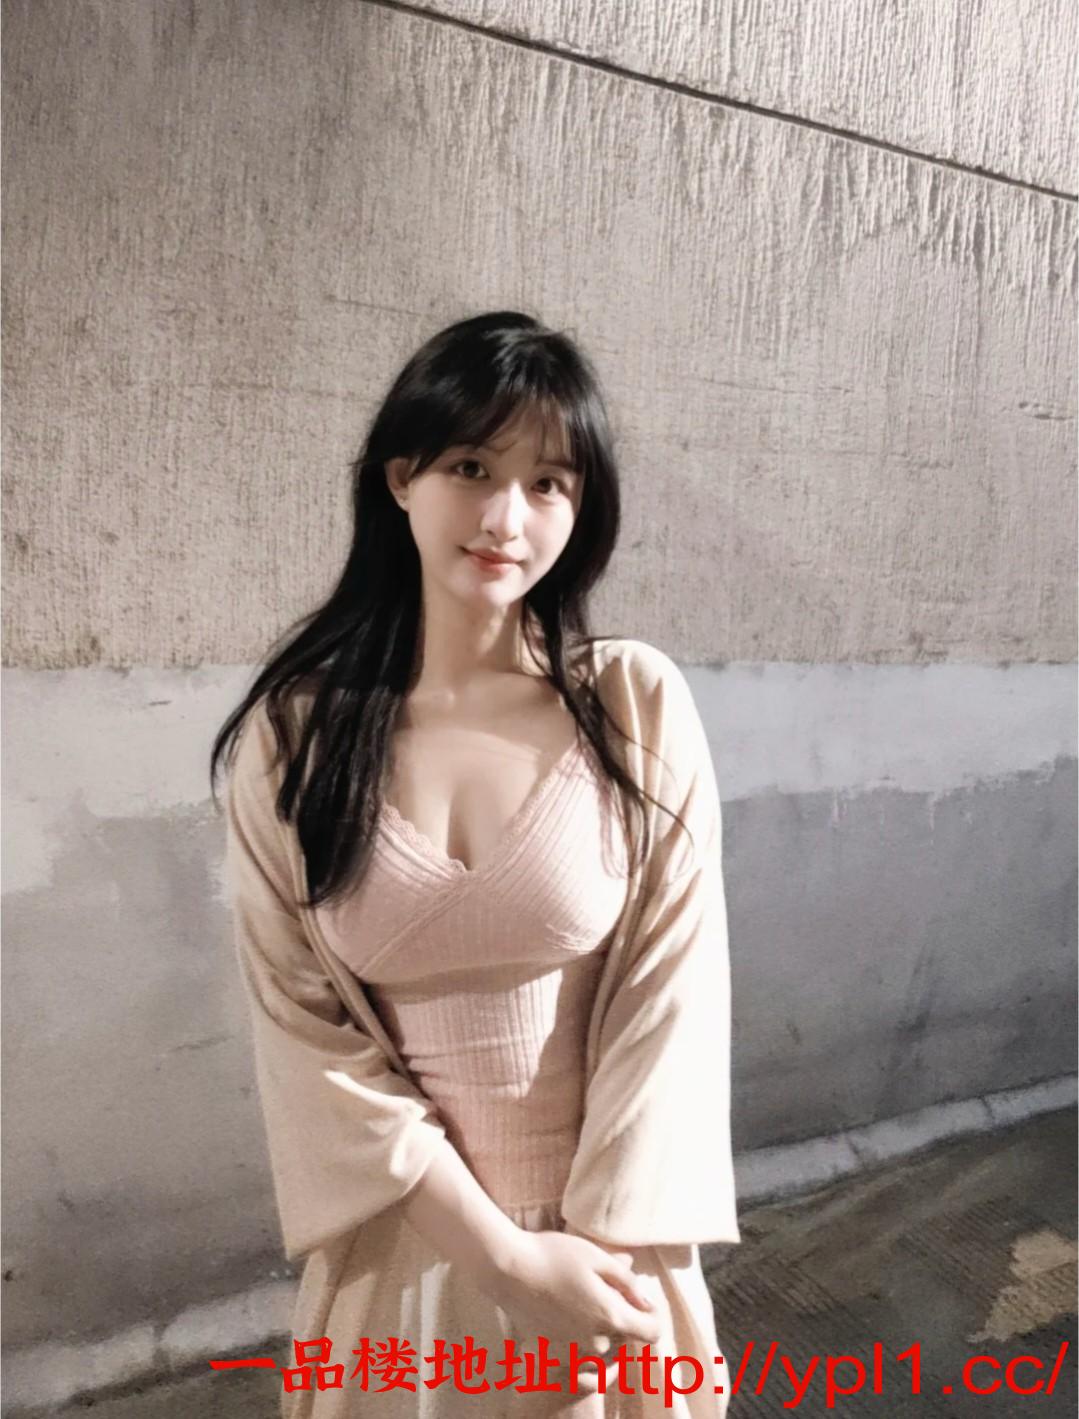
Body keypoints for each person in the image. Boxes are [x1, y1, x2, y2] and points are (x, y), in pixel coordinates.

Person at [211, 311, 740, 1417]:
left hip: (606, 1261)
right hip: (403, 1261)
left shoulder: (630, 705)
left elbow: (671, 1004)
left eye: (548, 483)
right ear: (400, 477)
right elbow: (307, 1038)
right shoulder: (293, 740)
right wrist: (501, 1259)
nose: (507, 517)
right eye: (471, 468)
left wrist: (575, 1272)